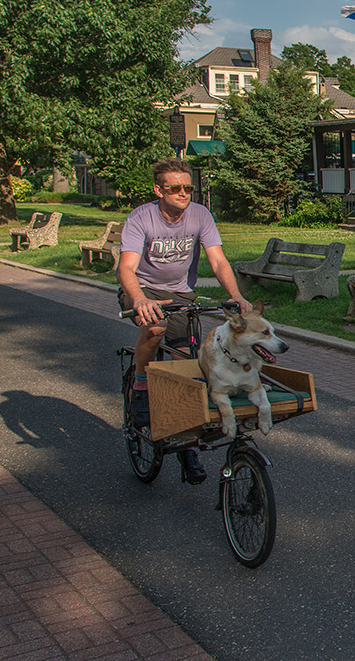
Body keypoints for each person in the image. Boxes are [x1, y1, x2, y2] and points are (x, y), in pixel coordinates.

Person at [117, 158, 253, 484]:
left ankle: (186, 445)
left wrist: (235, 295)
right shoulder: (141, 217)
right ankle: (139, 384)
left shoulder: (200, 215)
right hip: (143, 289)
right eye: (175, 188)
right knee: (155, 327)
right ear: (158, 190)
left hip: (181, 293)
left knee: (186, 364)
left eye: (187, 187)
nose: (183, 193)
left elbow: (217, 260)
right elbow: (126, 268)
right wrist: (139, 299)